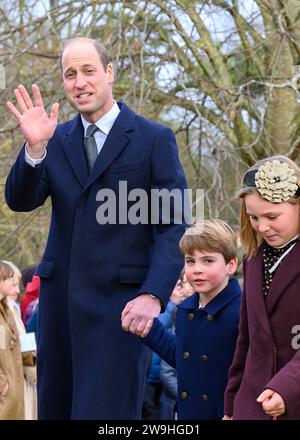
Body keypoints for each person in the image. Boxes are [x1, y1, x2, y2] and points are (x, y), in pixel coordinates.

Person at [5, 37, 187, 419]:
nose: (79, 82)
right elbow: (20, 200)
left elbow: (172, 225)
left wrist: (153, 295)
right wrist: (35, 149)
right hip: (60, 313)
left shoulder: (154, 139)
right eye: (70, 74)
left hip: (120, 312)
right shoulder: (55, 139)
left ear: (109, 73)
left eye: (88, 70)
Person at [129, 219, 241, 419]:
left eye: (207, 260)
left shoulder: (243, 311)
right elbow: (185, 359)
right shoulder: (185, 309)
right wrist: (151, 330)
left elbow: (251, 368)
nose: (197, 269)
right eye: (190, 261)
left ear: (230, 265)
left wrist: (235, 409)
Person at [224, 155, 300, 420]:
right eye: (254, 217)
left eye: (272, 216)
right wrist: (231, 405)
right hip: (251, 404)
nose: (262, 227)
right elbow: (246, 338)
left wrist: (288, 389)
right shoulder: (253, 258)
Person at [0, 261, 25, 419]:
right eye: (10, 279)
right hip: (5, 394)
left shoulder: (6, 310)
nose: (15, 283)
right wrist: (2, 384)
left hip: (12, 392)